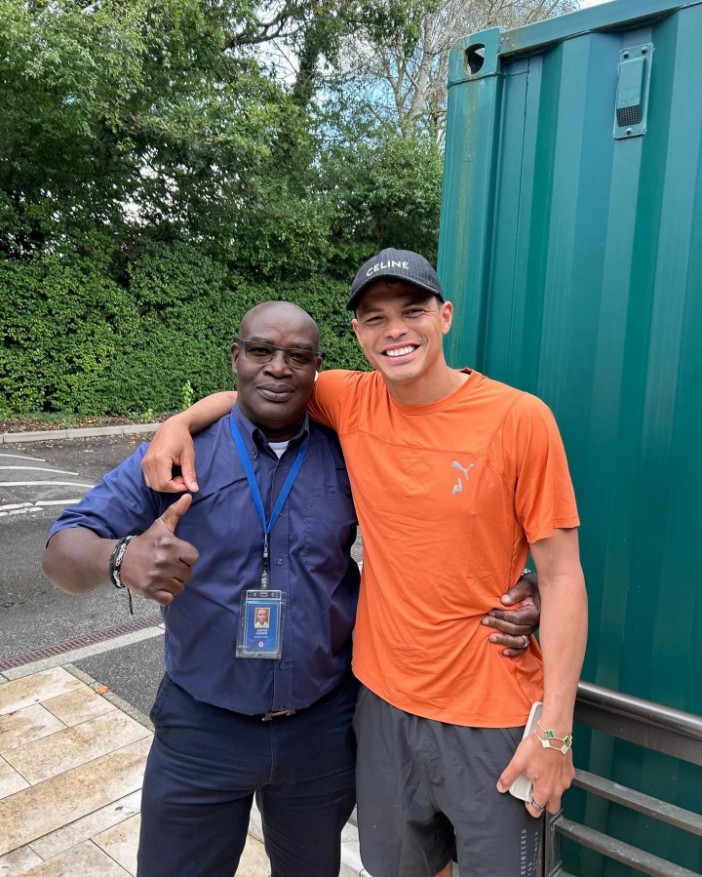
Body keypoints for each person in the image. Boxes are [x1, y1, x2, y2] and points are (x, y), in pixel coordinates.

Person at [42, 299, 538, 877]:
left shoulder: (349, 446)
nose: (277, 368)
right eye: (260, 351)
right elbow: (61, 550)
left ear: (316, 370)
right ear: (235, 358)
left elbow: (435, 527)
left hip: (320, 732)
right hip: (203, 728)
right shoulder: (181, 456)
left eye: (296, 357)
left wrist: (520, 584)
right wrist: (120, 557)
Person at [142, 249, 588, 877]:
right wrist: (177, 423)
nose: (395, 330)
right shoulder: (350, 398)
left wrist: (555, 734)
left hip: (491, 712)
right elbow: (258, 388)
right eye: (375, 317)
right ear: (358, 333)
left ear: (446, 315)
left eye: (413, 310)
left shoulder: (519, 419)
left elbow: (564, 576)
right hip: (379, 706)